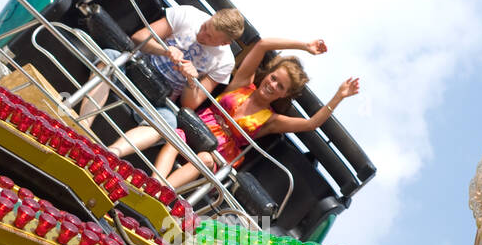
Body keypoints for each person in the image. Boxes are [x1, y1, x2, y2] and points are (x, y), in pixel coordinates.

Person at [154, 36, 360, 190]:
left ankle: (162, 191)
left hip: (216, 153)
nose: (272, 85)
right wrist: (304, 47)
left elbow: (311, 124)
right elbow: (262, 45)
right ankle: (153, 183)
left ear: (284, 94)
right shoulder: (243, 83)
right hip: (195, 130)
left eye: (280, 86)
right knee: (176, 136)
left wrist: (339, 96)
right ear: (267, 74)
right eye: (273, 78)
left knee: (205, 159)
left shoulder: (271, 120)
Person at [79, 5, 244, 141]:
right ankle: (82, 126)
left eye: (210, 37)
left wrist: (191, 80)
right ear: (212, 15)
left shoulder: (225, 62)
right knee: (110, 57)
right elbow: (139, 38)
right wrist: (165, 51)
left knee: (169, 122)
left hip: (157, 101)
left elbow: (190, 104)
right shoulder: (188, 14)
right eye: (205, 26)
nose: (202, 34)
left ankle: (112, 153)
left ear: (225, 43)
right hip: (132, 70)